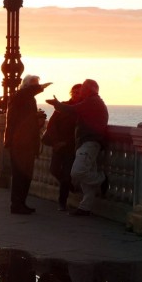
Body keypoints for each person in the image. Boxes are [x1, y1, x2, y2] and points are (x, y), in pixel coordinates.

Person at [47, 78, 109, 216]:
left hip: (89, 143)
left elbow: (72, 109)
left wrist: (57, 104)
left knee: (77, 172)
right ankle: (85, 208)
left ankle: (102, 179)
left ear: (88, 90)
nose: (80, 92)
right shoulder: (93, 101)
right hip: (88, 143)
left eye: (82, 89)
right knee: (86, 180)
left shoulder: (92, 101)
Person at [3, 74, 51, 215]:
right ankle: (17, 205)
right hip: (20, 143)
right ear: (27, 85)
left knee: (26, 176)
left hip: (27, 142)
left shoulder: (27, 98)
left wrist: (37, 118)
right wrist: (41, 87)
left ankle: (21, 203)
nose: (37, 87)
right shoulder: (19, 96)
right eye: (34, 84)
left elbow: (24, 119)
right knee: (20, 176)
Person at [41, 83, 81, 211]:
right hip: (57, 145)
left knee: (66, 174)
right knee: (54, 170)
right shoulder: (63, 105)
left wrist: (66, 142)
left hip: (70, 147)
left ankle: (62, 202)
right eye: (74, 91)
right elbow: (52, 125)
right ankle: (70, 187)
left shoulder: (81, 109)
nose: (76, 94)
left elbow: (79, 131)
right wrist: (56, 141)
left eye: (79, 92)